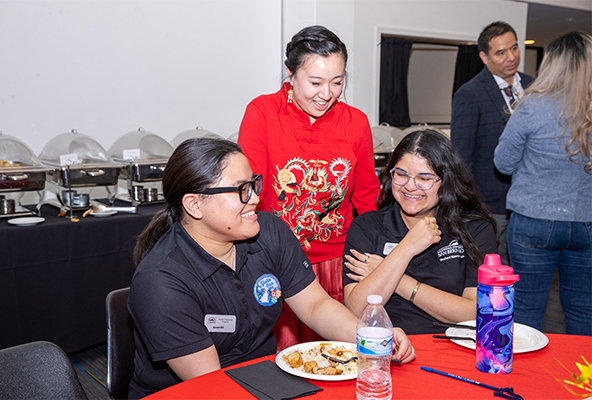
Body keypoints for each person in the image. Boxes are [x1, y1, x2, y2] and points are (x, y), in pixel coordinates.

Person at [127, 138, 415, 398]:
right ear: (194, 205)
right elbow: (211, 385)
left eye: (253, 184)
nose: (254, 198)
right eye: (241, 190)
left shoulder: (268, 231)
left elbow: (315, 306)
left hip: (262, 378)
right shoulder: (160, 281)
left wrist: (371, 338)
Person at [238, 25, 380, 348]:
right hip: (275, 259)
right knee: (279, 358)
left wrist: (370, 256)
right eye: (315, 82)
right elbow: (252, 195)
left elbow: (367, 195)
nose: (326, 93)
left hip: (334, 260)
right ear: (290, 73)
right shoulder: (262, 113)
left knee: (335, 355)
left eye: (337, 82)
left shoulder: (355, 123)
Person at [343, 130, 498, 334]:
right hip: (386, 349)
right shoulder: (366, 227)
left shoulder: (474, 227)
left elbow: (475, 312)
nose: (410, 186)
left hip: (453, 348)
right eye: (401, 174)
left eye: (424, 178)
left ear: (447, 180)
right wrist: (406, 248)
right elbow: (355, 310)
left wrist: (397, 278)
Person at [494, 32, 592, 336]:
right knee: (583, 310)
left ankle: (529, 383)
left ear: (552, 64)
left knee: (526, 310)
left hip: (534, 221)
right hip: (586, 223)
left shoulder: (532, 107)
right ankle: (582, 381)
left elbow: (503, 163)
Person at [451, 21, 534, 267]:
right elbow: (462, 157)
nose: (511, 57)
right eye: (501, 52)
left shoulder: (535, 86)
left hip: (532, 200)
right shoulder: (470, 94)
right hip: (492, 203)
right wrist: (472, 206)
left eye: (514, 48)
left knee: (527, 270)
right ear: (484, 57)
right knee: (494, 271)